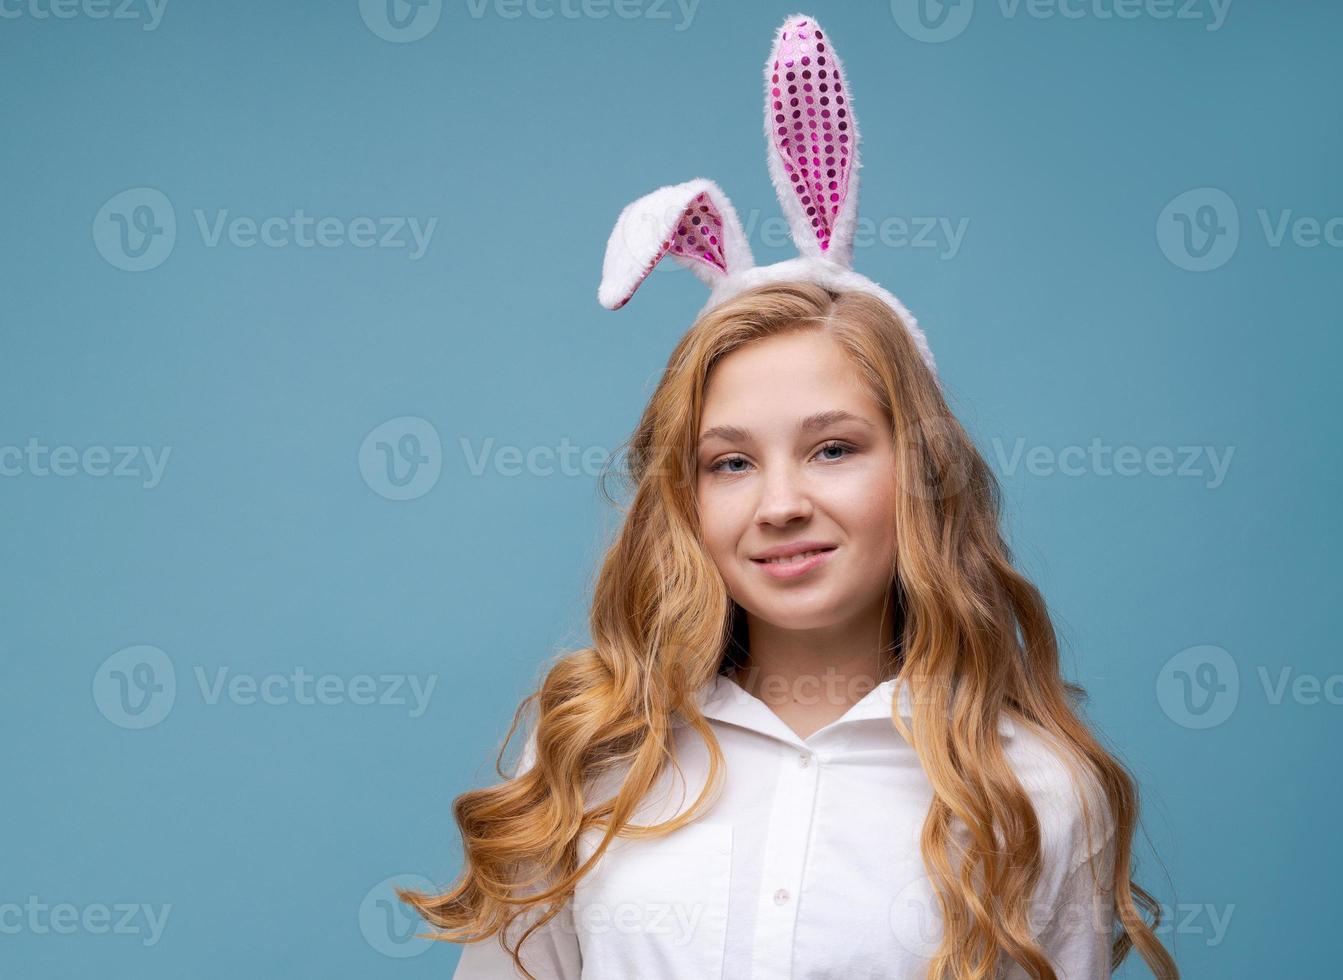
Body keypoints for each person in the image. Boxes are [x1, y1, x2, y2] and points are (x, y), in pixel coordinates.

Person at [400, 14, 1178, 980]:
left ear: (922, 471)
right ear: (682, 499)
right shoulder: (589, 761)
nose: (780, 504)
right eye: (729, 462)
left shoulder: (1037, 792)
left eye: (833, 449)